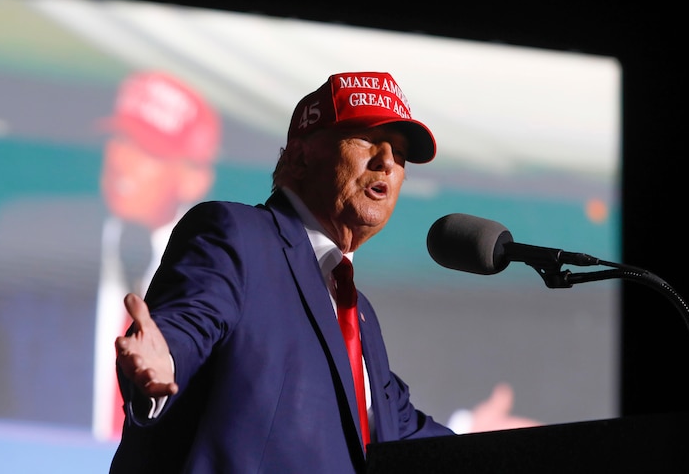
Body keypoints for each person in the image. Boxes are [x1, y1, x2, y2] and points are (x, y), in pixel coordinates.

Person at [109, 71, 454, 473]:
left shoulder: (360, 316)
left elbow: (403, 430)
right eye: (366, 139)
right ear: (300, 156)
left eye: (399, 152)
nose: (387, 162)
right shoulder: (237, 236)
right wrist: (165, 358)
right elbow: (189, 322)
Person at [91, 70, 221, 439]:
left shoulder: (220, 274)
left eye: (147, 149)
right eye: (118, 139)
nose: (120, 159)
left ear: (194, 177)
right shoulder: (29, 234)